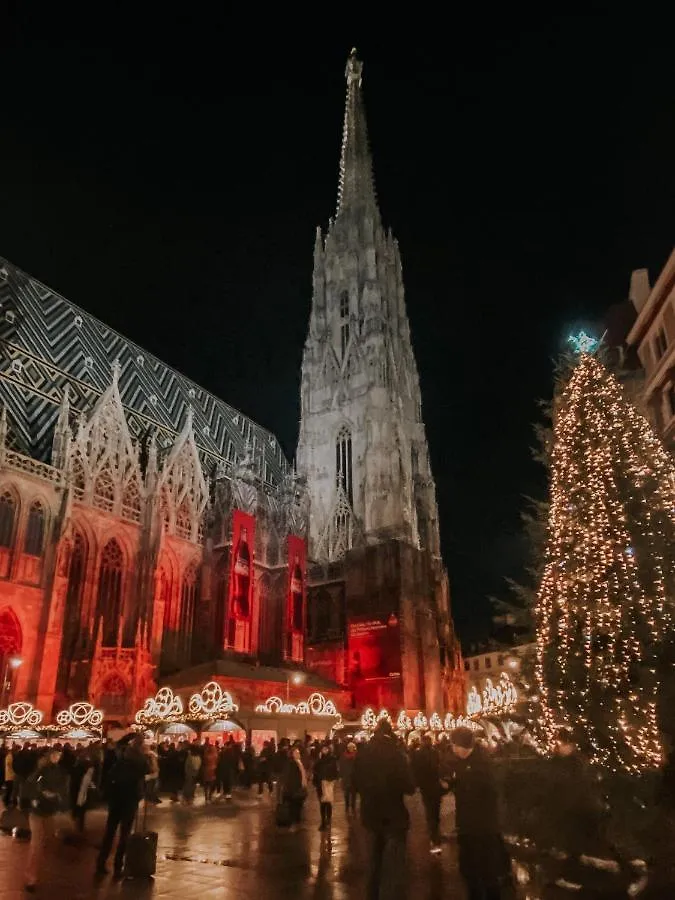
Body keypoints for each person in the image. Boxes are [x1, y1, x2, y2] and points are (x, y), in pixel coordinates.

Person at [354, 718, 415, 900]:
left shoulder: (363, 753)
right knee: (394, 866)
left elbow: (354, 783)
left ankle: (372, 895)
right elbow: (409, 786)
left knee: (374, 863)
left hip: (370, 814)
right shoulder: (396, 754)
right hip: (394, 815)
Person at [448, 727, 512, 900]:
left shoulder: (481, 765)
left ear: (462, 745)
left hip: (481, 828)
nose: (453, 749)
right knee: (469, 872)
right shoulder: (463, 763)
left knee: (485, 873)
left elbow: (486, 794)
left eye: (454, 745)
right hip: (468, 826)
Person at [96, 734, 149, 878]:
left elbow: (109, 777)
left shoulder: (120, 762)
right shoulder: (141, 762)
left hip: (116, 800)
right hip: (130, 801)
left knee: (110, 832)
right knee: (124, 834)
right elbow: (149, 773)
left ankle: (101, 863)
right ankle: (118, 865)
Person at [23, 746, 69, 892]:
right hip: (37, 811)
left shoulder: (59, 771)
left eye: (59, 755)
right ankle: (31, 877)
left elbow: (62, 788)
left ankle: (40, 871)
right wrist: (40, 795)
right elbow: (32, 785)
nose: (57, 757)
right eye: (55, 755)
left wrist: (58, 798)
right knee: (36, 844)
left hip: (49, 810)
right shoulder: (40, 771)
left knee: (47, 841)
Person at [411, 733, 444, 853]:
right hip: (435, 784)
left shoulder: (418, 754)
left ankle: (433, 834)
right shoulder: (435, 753)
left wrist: (417, 783)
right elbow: (439, 767)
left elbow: (415, 769)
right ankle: (435, 830)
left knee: (429, 809)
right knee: (435, 808)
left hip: (426, 786)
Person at [313, 744, 339, 832]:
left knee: (328, 802)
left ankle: (328, 820)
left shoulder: (332, 759)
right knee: (322, 803)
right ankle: (323, 821)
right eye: (323, 749)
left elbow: (334, 771)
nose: (324, 751)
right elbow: (315, 771)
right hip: (320, 785)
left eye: (326, 749)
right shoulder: (319, 760)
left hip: (328, 783)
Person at [281, 745, 308, 830]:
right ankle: (292, 824)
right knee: (293, 807)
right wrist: (292, 788)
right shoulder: (291, 763)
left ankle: (297, 823)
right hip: (293, 789)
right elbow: (289, 777)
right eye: (296, 753)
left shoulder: (299, 762)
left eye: (298, 752)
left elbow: (302, 774)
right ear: (292, 754)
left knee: (298, 806)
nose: (298, 754)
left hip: (300, 788)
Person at [338, 740, 358, 815]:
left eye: (352, 747)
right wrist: (340, 776)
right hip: (346, 777)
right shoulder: (343, 756)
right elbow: (341, 766)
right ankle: (347, 805)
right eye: (349, 747)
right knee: (346, 793)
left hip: (354, 777)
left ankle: (353, 806)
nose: (351, 748)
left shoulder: (356, 756)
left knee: (353, 793)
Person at [202, 739, 218, 803]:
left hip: (206, 770)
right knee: (212, 784)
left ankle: (206, 797)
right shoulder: (215, 755)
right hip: (213, 770)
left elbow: (204, 762)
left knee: (206, 785)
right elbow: (217, 762)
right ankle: (209, 796)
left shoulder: (206, 755)